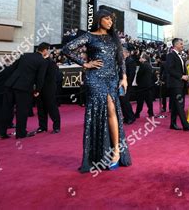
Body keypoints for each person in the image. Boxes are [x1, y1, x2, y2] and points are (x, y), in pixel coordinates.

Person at [62, 9, 132, 172]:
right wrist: (84, 63)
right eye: (107, 19)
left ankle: (115, 151)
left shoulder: (114, 38)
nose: (110, 22)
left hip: (112, 79)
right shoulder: (89, 36)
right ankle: (98, 154)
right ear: (99, 20)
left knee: (112, 111)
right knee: (104, 110)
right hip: (95, 78)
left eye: (111, 20)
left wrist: (124, 77)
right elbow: (66, 49)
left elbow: (120, 59)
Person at [0, 43, 50, 139]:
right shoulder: (43, 61)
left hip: (10, 84)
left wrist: (9, 81)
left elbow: (12, 68)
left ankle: (2, 132)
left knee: (6, 109)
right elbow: (40, 78)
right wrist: (37, 90)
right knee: (22, 110)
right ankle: (21, 133)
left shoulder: (25, 55)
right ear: (45, 50)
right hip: (24, 87)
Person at [166, 38, 189, 131]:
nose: (182, 46)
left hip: (180, 84)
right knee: (180, 104)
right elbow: (170, 69)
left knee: (176, 105)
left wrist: (186, 76)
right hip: (175, 84)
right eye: (181, 44)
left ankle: (173, 123)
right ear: (175, 45)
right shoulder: (171, 55)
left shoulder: (180, 55)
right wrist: (181, 76)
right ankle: (186, 126)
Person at [36, 51, 61, 134]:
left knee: (52, 108)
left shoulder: (51, 63)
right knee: (41, 108)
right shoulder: (39, 62)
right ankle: (42, 127)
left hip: (49, 89)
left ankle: (56, 127)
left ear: (45, 51)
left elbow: (53, 77)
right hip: (39, 88)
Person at [135, 52, 154, 118]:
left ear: (144, 58)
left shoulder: (143, 65)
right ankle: (151, 112)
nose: (139, 58)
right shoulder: (149, 65)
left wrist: (137, 81)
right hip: (148, 85)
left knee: (140, 101)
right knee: (149, 100)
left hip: (142, 86)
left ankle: (137, 113)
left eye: (140, 57)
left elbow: (139, 75)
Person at [120, 47, 136, 124]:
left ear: (126, 53)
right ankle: (126, 117)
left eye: (121, 52)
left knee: (125, 101)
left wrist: (127, 84)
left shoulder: (130, 61)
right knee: (122, 101)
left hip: (126, 85)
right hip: (121, 84)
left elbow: (131, 74)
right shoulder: (122, 61)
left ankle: (131, 117)